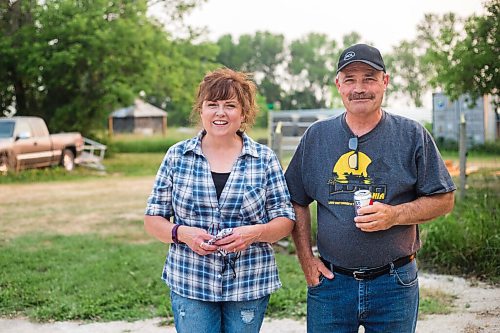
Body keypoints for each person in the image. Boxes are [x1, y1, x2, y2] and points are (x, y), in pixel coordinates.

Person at [285, 44, 456, 333]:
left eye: (369, 78)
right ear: (338, 85)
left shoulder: (411, 134)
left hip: (394, 283)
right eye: (350, 79)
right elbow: (295, 200)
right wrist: (306, 259)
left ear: (385, 82)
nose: (359, 88)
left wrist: (395, 215)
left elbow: (444, 199)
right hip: (331, 285)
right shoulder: (317, 136)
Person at [144, 68, 295, 333]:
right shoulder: (177, 156)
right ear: (201, 110)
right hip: (191, 279)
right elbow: (152, 218)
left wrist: (256, 232)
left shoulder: (265, 159)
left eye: (230, 105)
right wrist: (182, 233)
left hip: (249, 281)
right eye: (212, 105)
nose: (220, 113)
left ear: (244, 112)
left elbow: (285, 220)